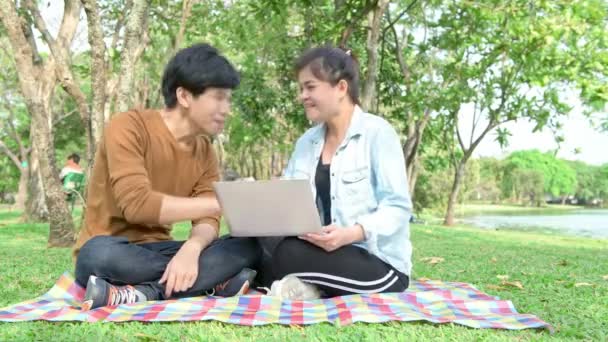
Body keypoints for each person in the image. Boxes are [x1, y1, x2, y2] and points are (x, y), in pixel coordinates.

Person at [73, 43, 260, 311]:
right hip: (114, 250)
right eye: (218, 97)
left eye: (228, 99)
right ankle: (211, 281)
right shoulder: (127, 127)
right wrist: (222, 202)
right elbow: (138, 206)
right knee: (96, 255)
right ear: (184, 96)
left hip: (161, 250)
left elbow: (207, 220)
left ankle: (142, 293)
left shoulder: (205, 150)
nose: (226, 108)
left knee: (249, 246)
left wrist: (193, 248)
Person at [267, 46, 413, 300]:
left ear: (341, 88)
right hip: (319, 251)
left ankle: (286, 281)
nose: (303, 96)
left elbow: (398, 209)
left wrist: (352, 233)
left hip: (376, 262)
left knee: (285, 253)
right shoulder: (306, 142)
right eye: (301, 88)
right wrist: (272, 197)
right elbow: (290, 202)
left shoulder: (378, 133)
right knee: (255, 241)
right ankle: (304, 284)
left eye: (310, 87)